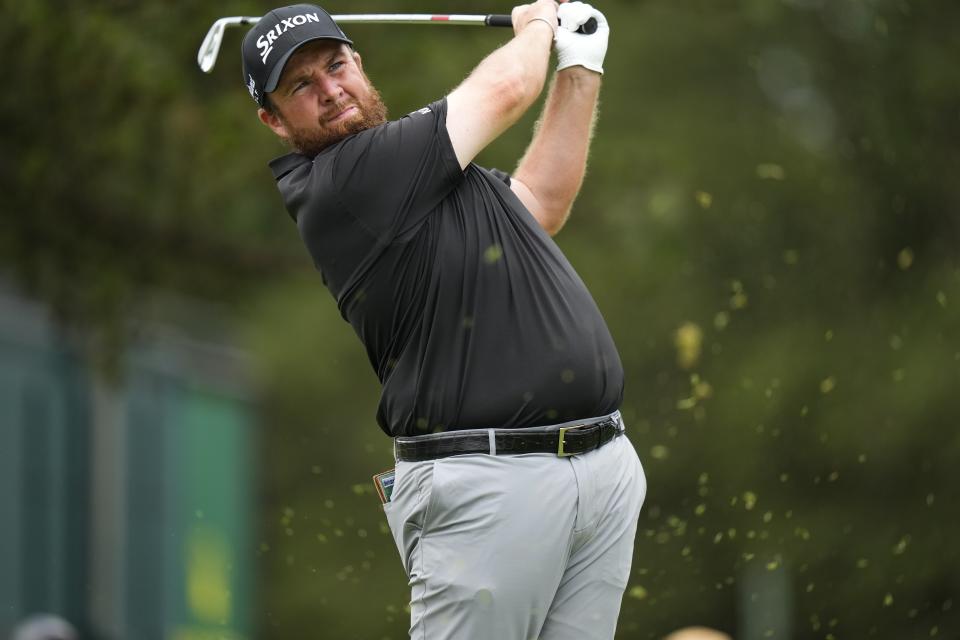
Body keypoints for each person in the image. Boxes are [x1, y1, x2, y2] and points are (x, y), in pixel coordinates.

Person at [241, 2, 646, 638]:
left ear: (359, 64)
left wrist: (579, 68)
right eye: (301, 86)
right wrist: (538, 22)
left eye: (335, 65)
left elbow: (541, 203)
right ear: (273, 120)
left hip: (599, 471)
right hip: (488, 488)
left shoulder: (424, 179)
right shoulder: (345, 182)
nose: (329, 90)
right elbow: (509, 86)